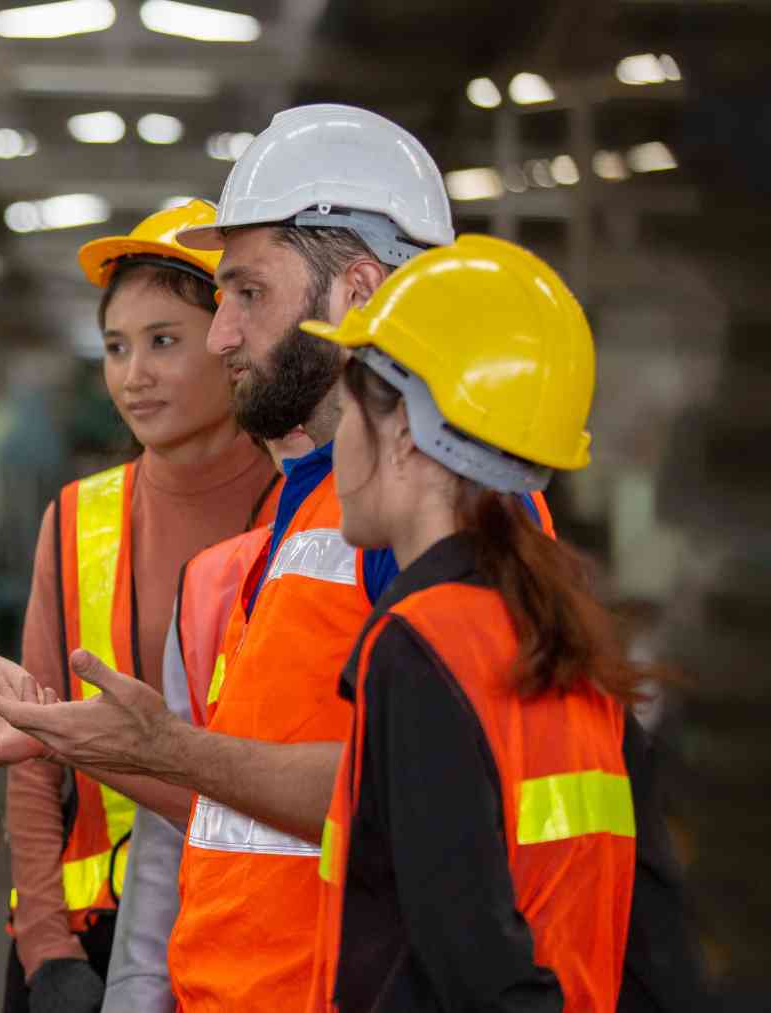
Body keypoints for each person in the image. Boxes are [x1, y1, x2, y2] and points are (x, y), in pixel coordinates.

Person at [0, 103, 503, 1011]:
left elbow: (404, 796)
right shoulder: (308, 511)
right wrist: (77, 742)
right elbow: (250, 812)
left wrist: (158, 748)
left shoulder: (437, 503)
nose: (219, 335)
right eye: (122, 345)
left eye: (246, 293)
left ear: (359, 289)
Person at [301, 234, 636, 1009]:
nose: (337, 442)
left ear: (409, 437)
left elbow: (470, 967)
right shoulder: (570, 637)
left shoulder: (421, 647)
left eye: (347, 412)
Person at [4, 199, 279, 1013]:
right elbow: (32, 748)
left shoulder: (305, 517)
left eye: (164, 342)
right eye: (117, 347)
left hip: (249, 923)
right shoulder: (77, 517)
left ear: (231, 340)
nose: (133, 375)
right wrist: (46, 946)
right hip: (85, 941)